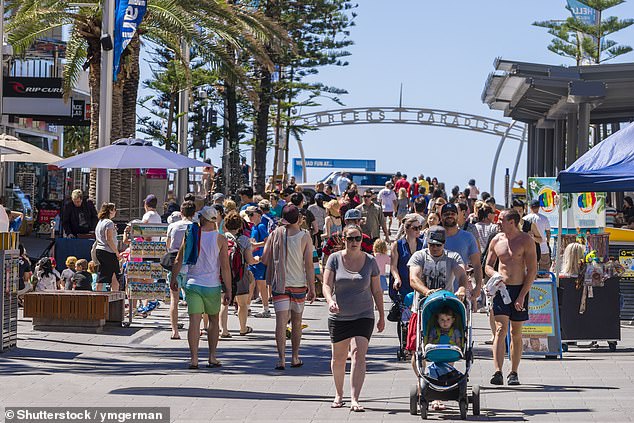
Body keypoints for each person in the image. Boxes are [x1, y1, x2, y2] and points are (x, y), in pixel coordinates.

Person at [322, 224, 384, 412]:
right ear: (344, 240)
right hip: (339, 316)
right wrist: (330, 300)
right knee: (338, 358)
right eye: (350, 239)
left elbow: (377, 290)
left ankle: (355, 398)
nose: (355, 242)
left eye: (358, 238)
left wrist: (381, 315)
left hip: (363, 315)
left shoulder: (371, 261)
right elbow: (326, 284)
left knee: (358, 355)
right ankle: (339, 394)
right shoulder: (334, 259)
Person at [170, 206, 232, 369]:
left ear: (202, 219)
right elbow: (225, 267)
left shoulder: (191, 235)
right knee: (213, 320)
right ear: (215, 220)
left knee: (194, 322)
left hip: (192, 284)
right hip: (212, 285)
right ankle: (212, 357)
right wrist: (229, 289)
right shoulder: (221, 239)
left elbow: (178, 259)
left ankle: (194, 359)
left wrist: (174, 278)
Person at [485, 209, 537, 386]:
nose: (497, 222)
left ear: (512, 222)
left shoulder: (526, 240)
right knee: (500, 329)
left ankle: (513, 372)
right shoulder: (496, 239)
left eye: (501, 219)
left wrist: (522, 295)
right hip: (501, 289)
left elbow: (532, 270)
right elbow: (488, 266)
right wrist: (495, 276)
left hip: (519, 289)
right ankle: (497, 371)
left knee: (516, 332)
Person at [261, 204, 316, 370]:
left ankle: (281, 359)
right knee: (297, 322)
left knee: (280, 322)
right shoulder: (305, 236)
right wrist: (312, 288)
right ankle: (295, 357)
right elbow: (309, 264)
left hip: (280, 284)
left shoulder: (275, 234)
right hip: (299, 284)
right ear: (299, 218)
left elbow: (264, 259)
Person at [426, 203, 482, 304]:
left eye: (452, 213)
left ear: (458, 216)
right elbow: (424, 259)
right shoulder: (433, 235)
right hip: (435, 293)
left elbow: (477, 264)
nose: (449, 215)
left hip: (459, 293)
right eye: (446, 213)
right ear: (441, 217)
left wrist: (478, 286)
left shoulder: (468, 237)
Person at [224, 211, 260, 335]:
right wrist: (257, 260)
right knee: (242, 303)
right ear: (240, 226)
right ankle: (243, 328)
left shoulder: (222, 238)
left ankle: (224, 330)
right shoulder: (244, 240)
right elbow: (249, 260)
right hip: (240, 273)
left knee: (224, 302)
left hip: (223, 273)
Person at [166, 200, 196, 340]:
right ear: (194, 213)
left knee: (174, 299)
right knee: (193, 301)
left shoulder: (173, 226)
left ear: (181, 212)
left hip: (175, 266)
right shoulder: (195, 227)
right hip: (191, 267)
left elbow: (168, 245)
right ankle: (195, 328)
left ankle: (174, 331)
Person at [247, 206, 271, 319]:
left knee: (261, 284)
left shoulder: (261, 226)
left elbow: (267, 241)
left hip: (260, 259)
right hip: (254, 259)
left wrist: (255, 246)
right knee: (251, 283)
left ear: (258, 215)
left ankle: (266, 309)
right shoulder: (254, 227)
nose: (249, 217)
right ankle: (246, 307)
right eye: (248, 215)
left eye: (251, 214)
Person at [95, 203, 121, 292]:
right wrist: (116, 252)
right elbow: (109, 239)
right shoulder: (109, 222)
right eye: (114, 210)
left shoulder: (100, 222)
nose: (115, 212)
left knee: (102, 273)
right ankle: (115, 295)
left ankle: (97, 294)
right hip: (108, 251)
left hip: (99, 250)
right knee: (114, 274)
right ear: (110, 210)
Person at [524, 199, 552, 271]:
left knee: (531, 272)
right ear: (539, 207)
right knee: (545, 273)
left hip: (529, 250)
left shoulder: (524, 219)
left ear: (530, 207)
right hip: (543, 248)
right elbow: (548, 233)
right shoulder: (544, 218)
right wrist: (547, 242)